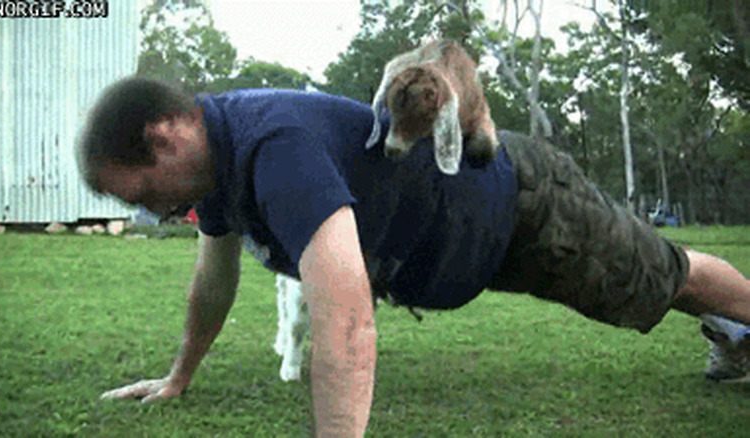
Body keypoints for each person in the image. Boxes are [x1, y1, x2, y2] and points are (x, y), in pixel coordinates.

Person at [78, 77, 750, 437]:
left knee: (669, 277)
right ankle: (738, 337)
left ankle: (738, 323)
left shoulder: (275, 148)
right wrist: (178, 378)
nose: (147, 211)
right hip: (468, 239)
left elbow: (345, 321)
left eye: (133, 192)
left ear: (162, 138)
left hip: (523, 204)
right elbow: (212, 282)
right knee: (662, 284)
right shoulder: (220, 170)